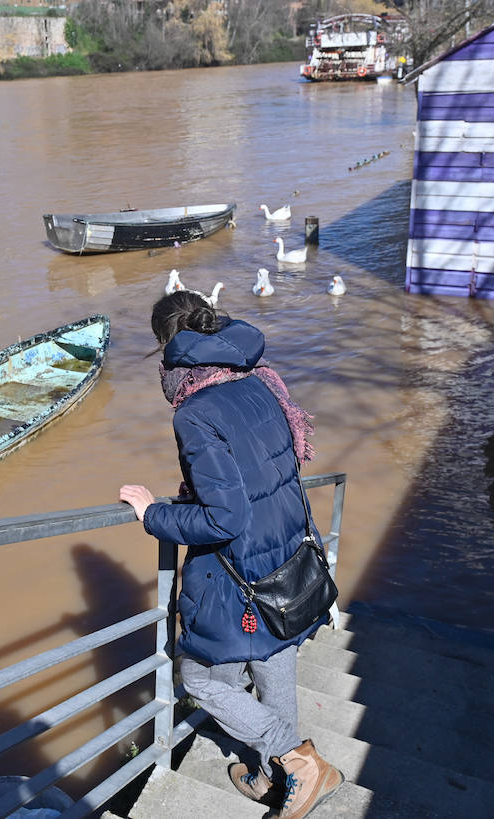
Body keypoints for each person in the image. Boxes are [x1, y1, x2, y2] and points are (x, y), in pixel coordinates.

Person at [119, 290, 342, 819]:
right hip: (288, 550)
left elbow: (224, 518)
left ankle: (296, 759)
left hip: (242, 564)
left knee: (197, 677)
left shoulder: (194, 411)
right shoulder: (259, 378)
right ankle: (271, 776)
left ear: (167, 348)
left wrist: (154, 515)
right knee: (274, 657)